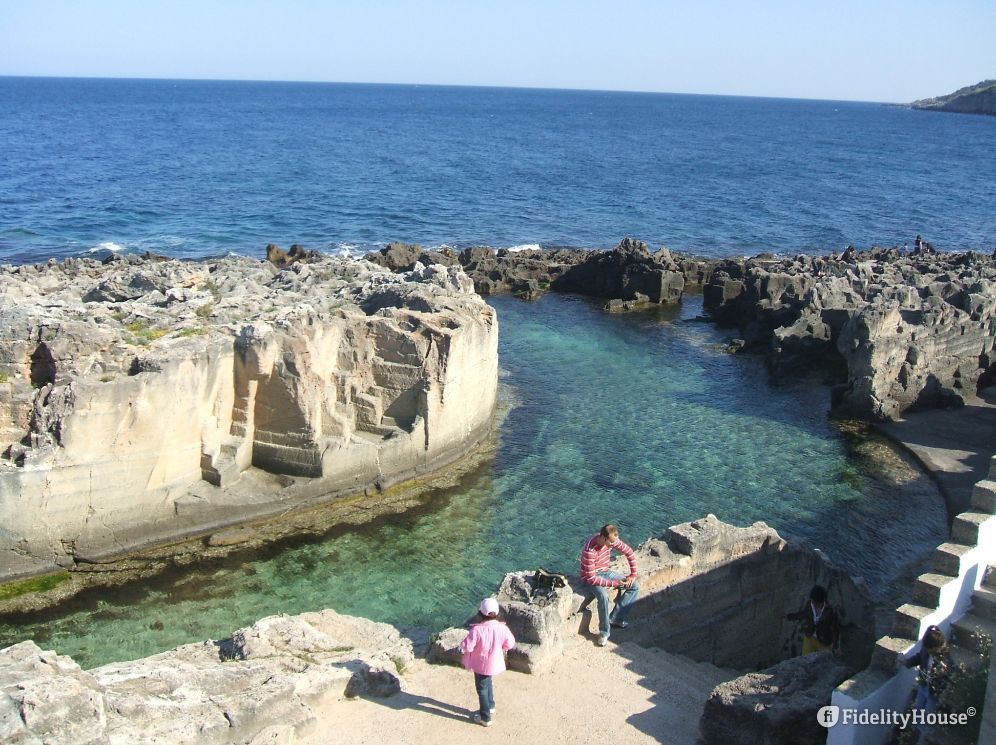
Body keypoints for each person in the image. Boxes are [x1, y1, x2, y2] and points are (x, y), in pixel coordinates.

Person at [580, 523, 640, 647]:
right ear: (602, 537)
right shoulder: (589, 550)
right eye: (611, 543)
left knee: (635, 586)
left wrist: (633, 575)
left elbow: (629, 552)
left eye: (614, 543)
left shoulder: (611, 541)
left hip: (605, 572)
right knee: (603, 596)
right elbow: (591, 578)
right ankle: (604, 632)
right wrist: (614, 583)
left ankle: (616, 617)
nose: (613, 546)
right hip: (591, 577)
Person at [460, 597, 516, 728]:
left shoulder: (477, 630)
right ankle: (490, 705)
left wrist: (462, 646)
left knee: (482, 689)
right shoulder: (502, 628)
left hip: (480, 665)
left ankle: (485, 717)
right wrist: (502, 647)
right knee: (488, 683)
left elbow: (468, 647)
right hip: (494, 663)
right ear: (497, 613)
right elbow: (510, 643)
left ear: (480, 613)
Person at [901, 625, 950, 738]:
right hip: (923, 685)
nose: (927, 651)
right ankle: (915, 729)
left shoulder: (945, 658)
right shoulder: (926, 649)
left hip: (934, 691)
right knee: (919, 707)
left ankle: (924, 733)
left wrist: (942, 682)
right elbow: (919, 658)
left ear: (936, 647)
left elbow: (949, 674)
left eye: (930, 649)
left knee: (928, 711)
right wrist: (907, 662)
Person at [785, 584, 841, 655]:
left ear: (822, 601)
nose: (814, 605)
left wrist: (836, 647)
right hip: (810, 637)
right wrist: (789, 616)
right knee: (805, 660)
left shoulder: (831, 611)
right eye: (813, 602)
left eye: (817, 603)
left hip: (824, 642)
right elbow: (803, 614)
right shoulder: (810, 605)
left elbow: (835, 630)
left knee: (823, 663)